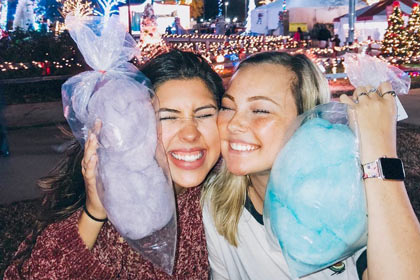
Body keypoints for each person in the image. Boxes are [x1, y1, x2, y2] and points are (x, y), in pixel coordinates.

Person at [4, 50, 224, 279]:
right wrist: (94, 214)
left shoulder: (225, 192)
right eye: (167, 117)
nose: (190, 134)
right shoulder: (122, 218)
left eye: (204, 114)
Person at [202, 51, 420, 279]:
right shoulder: (216, 206)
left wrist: (379, 146)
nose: (234, 124)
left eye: (260, 110)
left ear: (307, 121)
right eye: (227, 107)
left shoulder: (351, 199)